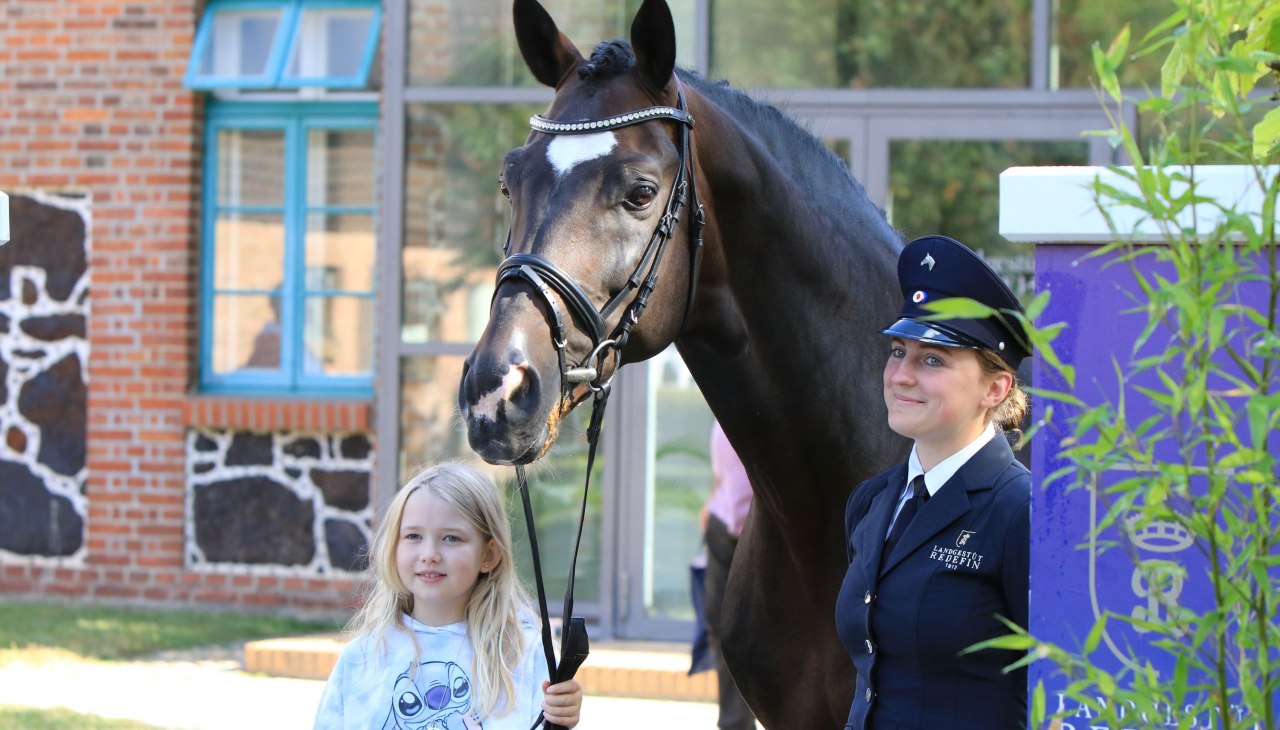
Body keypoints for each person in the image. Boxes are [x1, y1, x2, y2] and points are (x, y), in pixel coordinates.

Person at [835, 235, 1031, 729]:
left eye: (933, 359)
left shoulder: (1019, 511)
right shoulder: (874, 500)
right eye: (898, 351)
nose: (900, 375)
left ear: (995, 387)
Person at [314, 462, 582, 729]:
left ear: (488, 555)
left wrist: (563, 717)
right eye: (414, 536)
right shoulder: (362, 656)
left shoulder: (522, 655)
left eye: (451, 538)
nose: (429, 554)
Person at [701, 419, 757, 730]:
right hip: (723, 526)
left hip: (763, 531)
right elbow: (724, 463)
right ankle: (735, 724)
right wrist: (713, 498)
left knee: (764, 636)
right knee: (723, 633)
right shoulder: (724, 396)